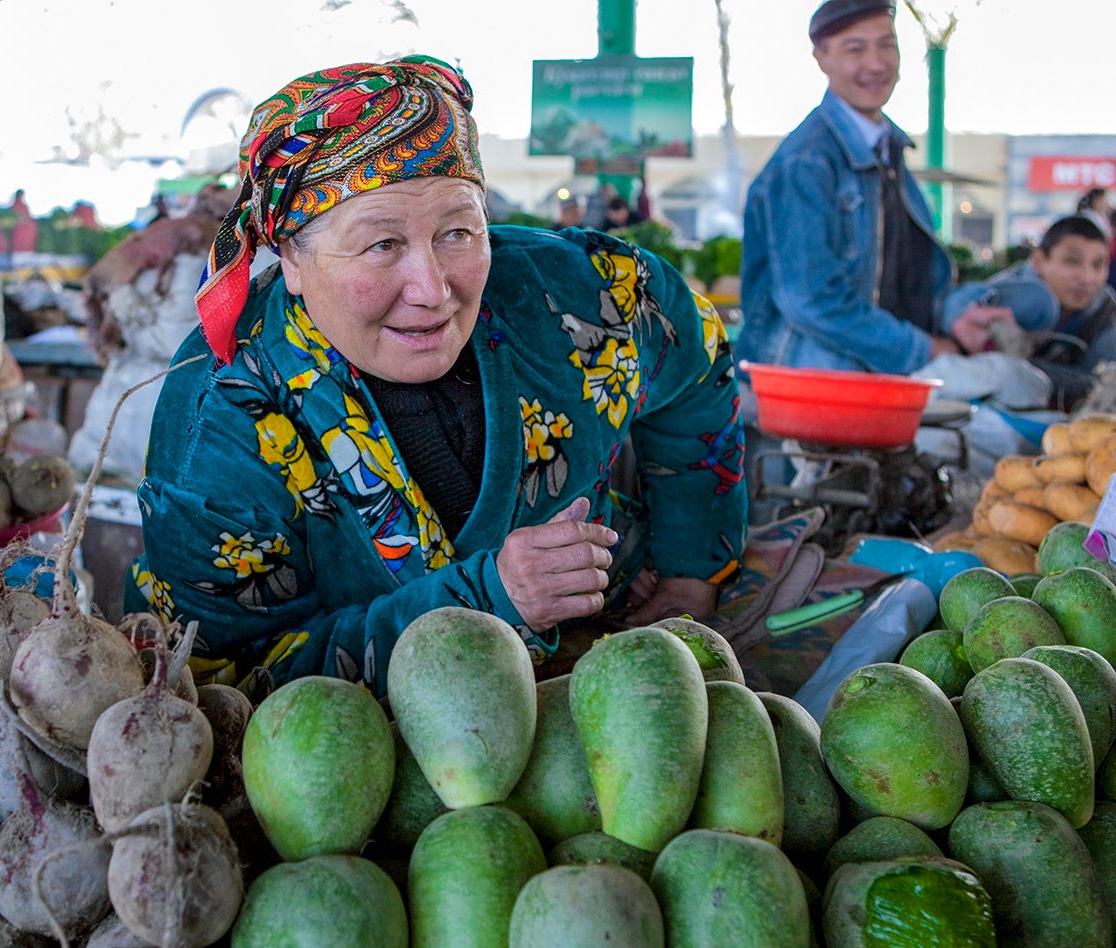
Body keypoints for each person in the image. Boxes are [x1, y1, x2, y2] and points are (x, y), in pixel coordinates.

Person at [133, 56, 747, 699]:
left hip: (613, 663)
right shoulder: (224, 413)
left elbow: (697, 356)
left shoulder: (569, 296)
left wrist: (691, 563)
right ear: (290, 257)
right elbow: (222, 679)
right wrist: (489, 601)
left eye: (457, 233)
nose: (432, 290)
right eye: (382, 245)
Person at [737, 0, 1003, 376]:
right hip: (806, 388)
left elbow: (907, 280)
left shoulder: (888, 150)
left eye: (887, 45)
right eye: (855, 49)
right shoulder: (806, 163)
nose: (876, 64)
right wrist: (922, 349)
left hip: (872, 382)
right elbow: (809, 299)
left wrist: (955, 314)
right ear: (821, 56)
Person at [940, 215, 1116, 410]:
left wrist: (1018, 366)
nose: (1086, 277)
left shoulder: (1106, 310)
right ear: (1039, 261)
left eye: (1098, 265)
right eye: (1072, 261)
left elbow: (1098, 381)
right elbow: (953, 303)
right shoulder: (1022, 295)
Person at [10, 188, 38, 254]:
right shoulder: (13, 206)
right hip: (17, 230)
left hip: (26, 229)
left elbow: (28, 216)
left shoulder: (24, 206)